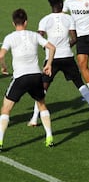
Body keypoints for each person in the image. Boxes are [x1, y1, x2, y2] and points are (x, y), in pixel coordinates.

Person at [27, 0, 89, 127]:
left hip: (51, 59)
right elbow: (75, 38)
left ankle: (34, 118)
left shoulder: (44, 20)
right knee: (80, 85)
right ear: (61, 4)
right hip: (67, 57)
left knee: (43, 89)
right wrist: (66, 45)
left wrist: (47, 48)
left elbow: (39, 37)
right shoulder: (69, 18)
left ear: (50, 4)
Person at [0, 9, 55, 151]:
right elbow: (51, 47)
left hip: (20, 77)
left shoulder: (10, 37)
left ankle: (0, 141)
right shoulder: (34, 36)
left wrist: (4, 67)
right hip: (36, 76)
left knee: (6, 108)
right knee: (42, 104)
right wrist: (48, 64)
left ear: (13, 23)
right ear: (26, 22)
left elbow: (1, 55)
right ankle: (49, 137)